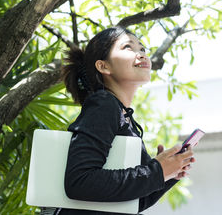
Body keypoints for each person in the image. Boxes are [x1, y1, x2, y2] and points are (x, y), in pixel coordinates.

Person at [57, 26, 195, 215]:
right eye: (128, 48)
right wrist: (157, 171)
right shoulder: (104, 104)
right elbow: (80, 181)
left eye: (142, 49)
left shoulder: (123, 115)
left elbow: (133, 203)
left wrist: (168, 175)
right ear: (103, 66)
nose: (141, 54)